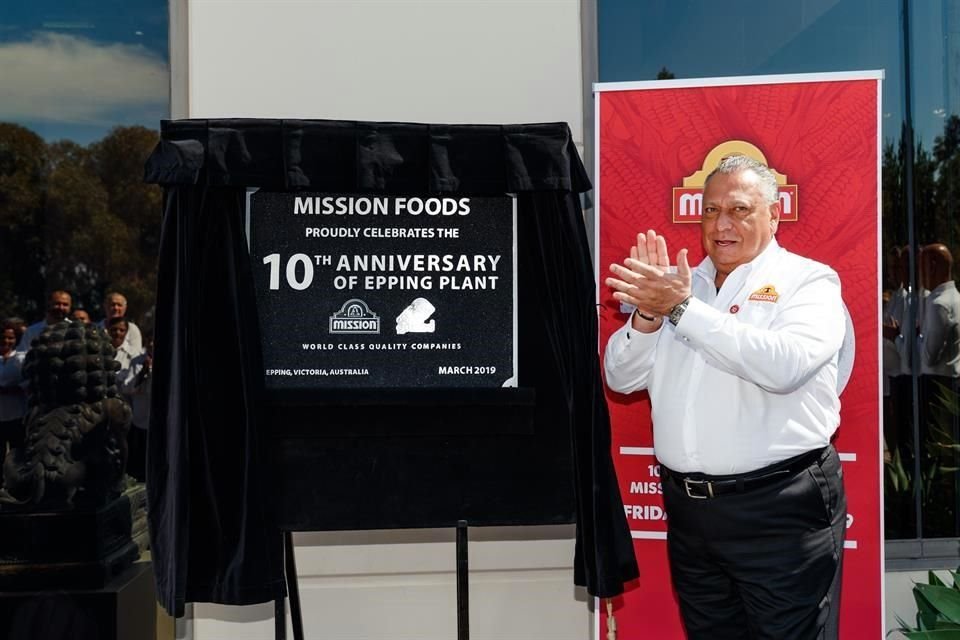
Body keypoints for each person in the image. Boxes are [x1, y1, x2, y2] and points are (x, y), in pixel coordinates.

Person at [604, 155, 847, 639]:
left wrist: (680, 309)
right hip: (692, 515)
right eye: (711, 211)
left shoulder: (810, 281)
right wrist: (650, 317)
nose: (722, 224)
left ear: (774, 216)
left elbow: (783, 365)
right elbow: (620, 375)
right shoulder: (680, 284)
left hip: (779, 509)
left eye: (739, 210)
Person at [119, 333, 152, 482]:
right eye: (149, 341)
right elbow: (127, 387)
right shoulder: (137, 361)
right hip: (141, 418)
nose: (152, 345)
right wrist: (143, 373)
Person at [0, 320, 26, 457]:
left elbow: (28, 382)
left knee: (18, 455)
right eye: (3, 337)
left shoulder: (22, 358)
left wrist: (14, 390)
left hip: (17, 416)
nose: (6, 341)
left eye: (10, 338)